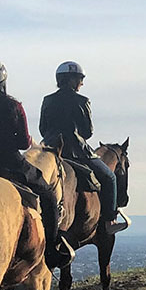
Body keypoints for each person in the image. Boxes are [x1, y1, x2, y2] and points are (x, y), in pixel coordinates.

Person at [0, 58, 74, 269]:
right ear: (2, 82)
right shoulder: (13, 106)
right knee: (48, 196)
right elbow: (23, 142)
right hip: (10, 163)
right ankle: (51, 252)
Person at [39, 61, 125, 234]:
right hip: (77, 152)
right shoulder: (82, 100)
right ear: (71, 80)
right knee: (110, 178)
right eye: (80, 79)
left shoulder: (47, 100)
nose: (81, 83)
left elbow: (43, 128)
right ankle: (110, 220)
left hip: (50, 149)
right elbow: (87, 132)